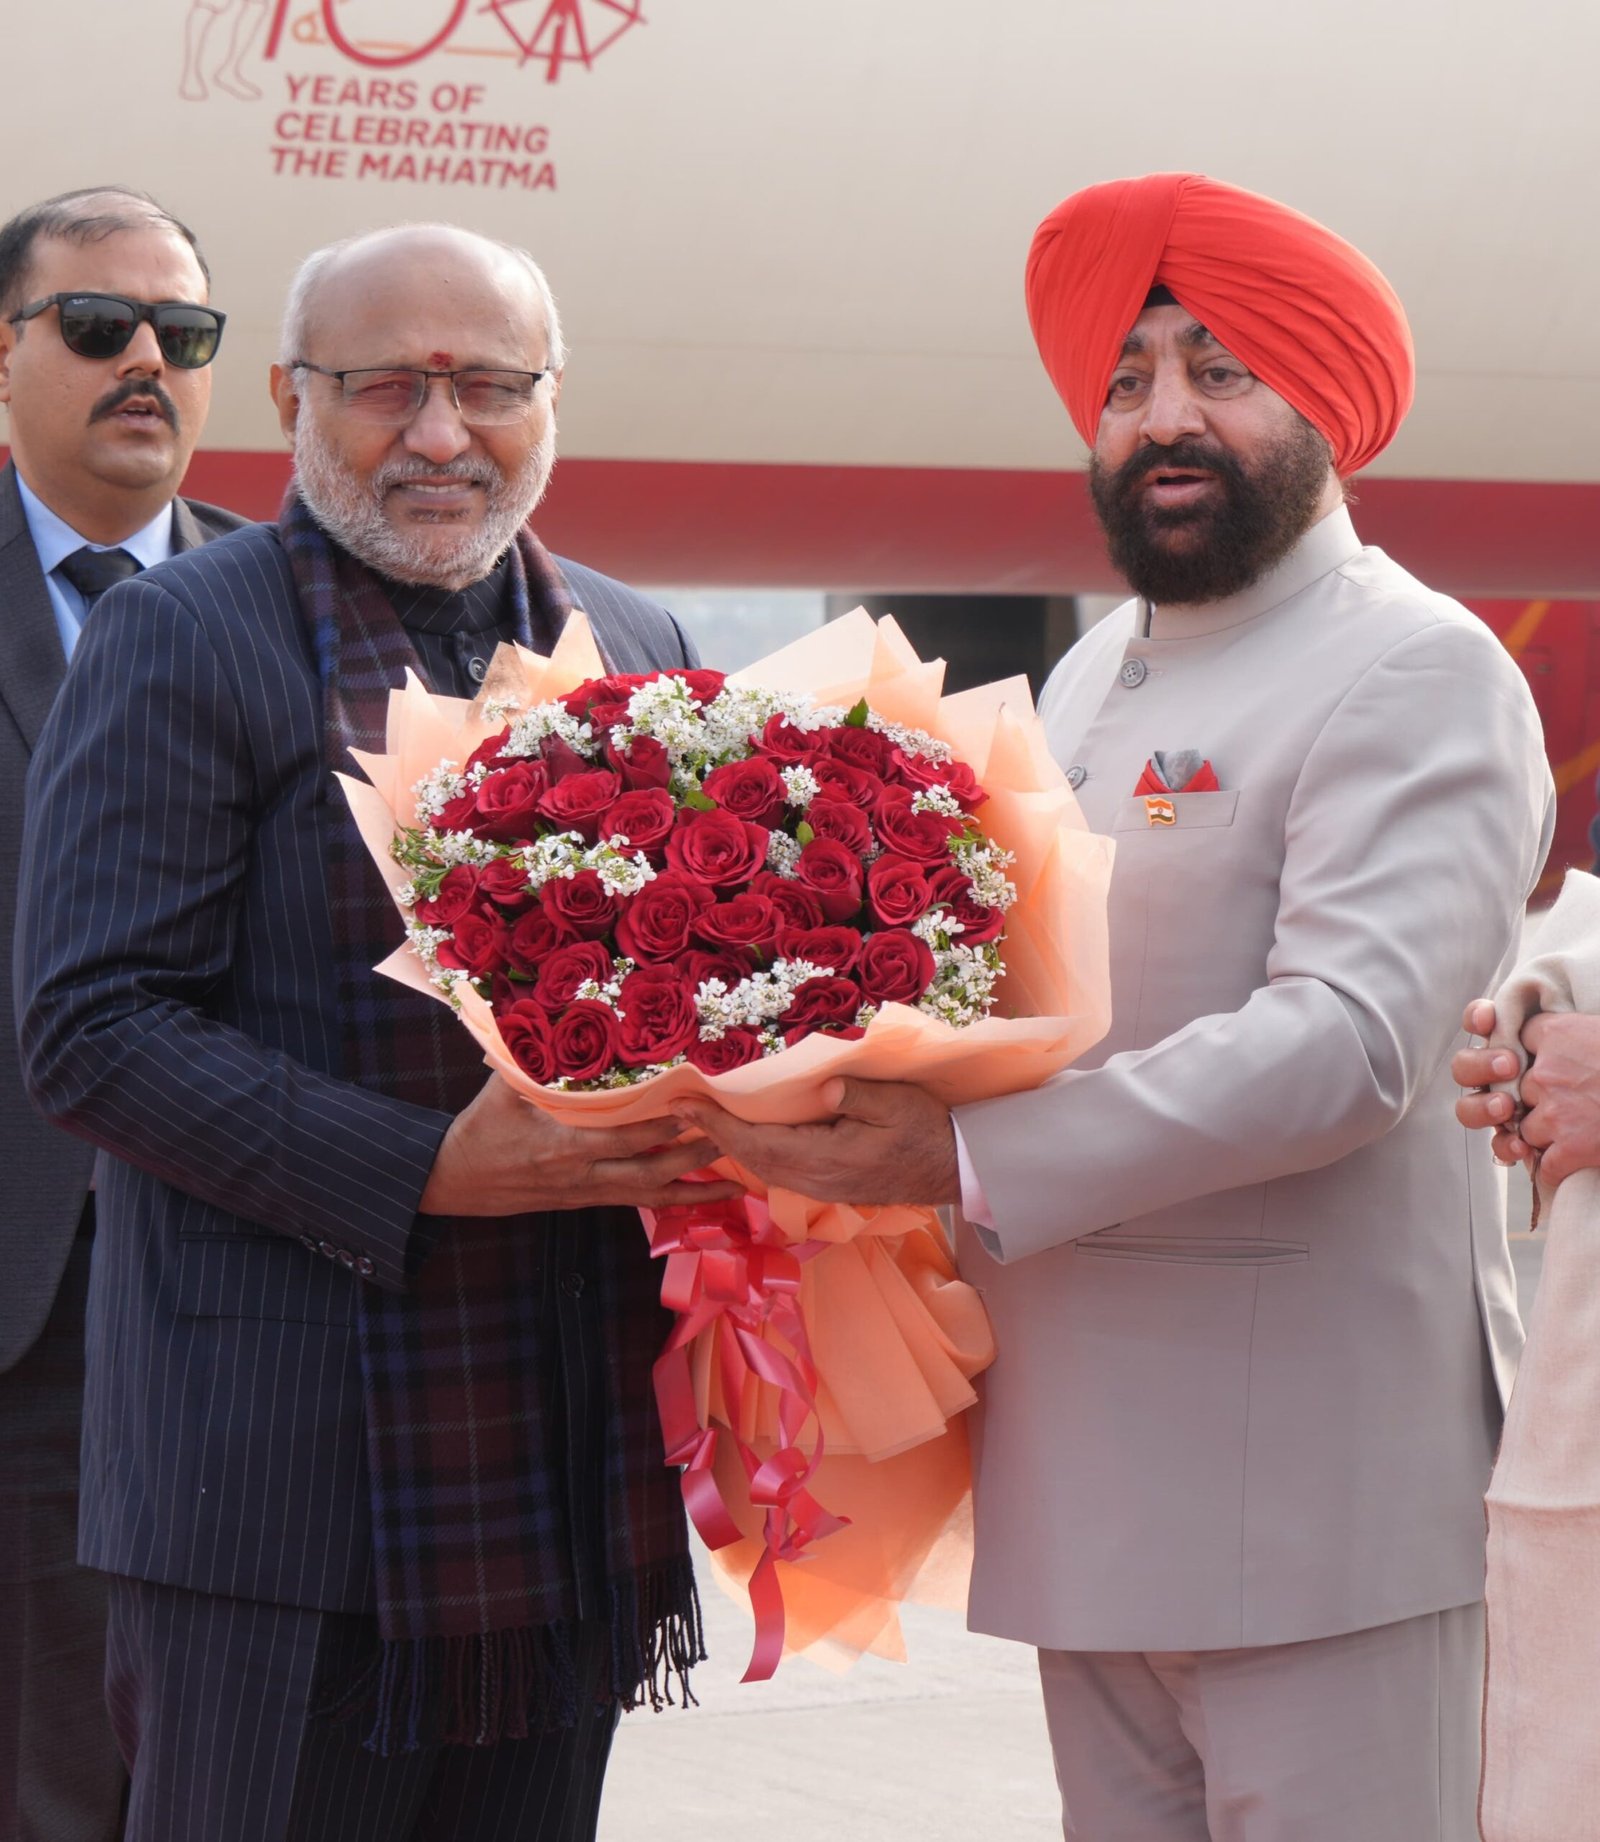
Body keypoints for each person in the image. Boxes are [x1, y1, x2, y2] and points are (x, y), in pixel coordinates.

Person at [670, 172, 1556, 1841]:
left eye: (1221, 369)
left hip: (1320, 1513)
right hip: (1090, 1492)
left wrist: (957, 1156)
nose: (1165, 417)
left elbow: (1352, 1044)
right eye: (1127, 378)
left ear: (1326, 401)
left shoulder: (1417, 667)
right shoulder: (1094, 674)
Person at [16, 222, 735, 1842]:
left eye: (490, 386)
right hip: (268, 1492)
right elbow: (91, 1026)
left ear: (552, 399)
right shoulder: (184, 634)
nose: (441, 434)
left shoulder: (641, 647)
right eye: (387, 386)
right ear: (291, 398)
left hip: (564, 1460)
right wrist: (424, 1168)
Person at [0, 184, 244, 1842]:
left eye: (183, 330)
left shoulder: (296, 605)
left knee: (229, 1762)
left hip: (251, 1291)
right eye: (98, 325)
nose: (145, 359)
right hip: (27, 1305)